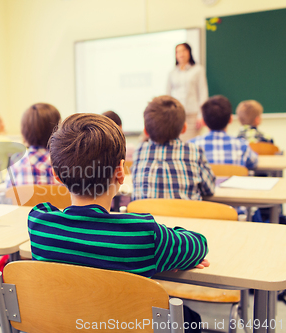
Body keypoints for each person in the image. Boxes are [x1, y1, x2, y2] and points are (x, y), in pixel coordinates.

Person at [28, 113, 208, 332]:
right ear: (120, 172)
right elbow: (199, 245)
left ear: (57, 175)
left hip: (66, 323)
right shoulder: (144, 234)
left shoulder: (39, 223)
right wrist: (170, 246)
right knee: (192, 319)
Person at [131, 96, 215, 201]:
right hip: (186, 216)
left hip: (145, 217)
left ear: (146, 131)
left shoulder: (139, 151)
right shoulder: (194, 152)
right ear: (184, 128)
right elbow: (209, 189)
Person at [189, 95, 258, 170]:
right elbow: (254, 163)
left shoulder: (191, 147)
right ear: (231, 119)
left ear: (203, 122)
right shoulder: (242, 146)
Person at [6, 103, 61, 188]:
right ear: (57, 129)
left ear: (24, 131)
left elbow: (9, 195)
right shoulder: (63, 164)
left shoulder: (16, 165)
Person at [166, 43, 208, 141]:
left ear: (189, 52)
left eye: (183, 50)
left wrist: (201, 115)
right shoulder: (172, 73)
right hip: (176, 115)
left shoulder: (198, 70)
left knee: (193, 143)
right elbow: (167, 95)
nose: (181, 54)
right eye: (178, 52)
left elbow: (203, 92)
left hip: (193, 115)